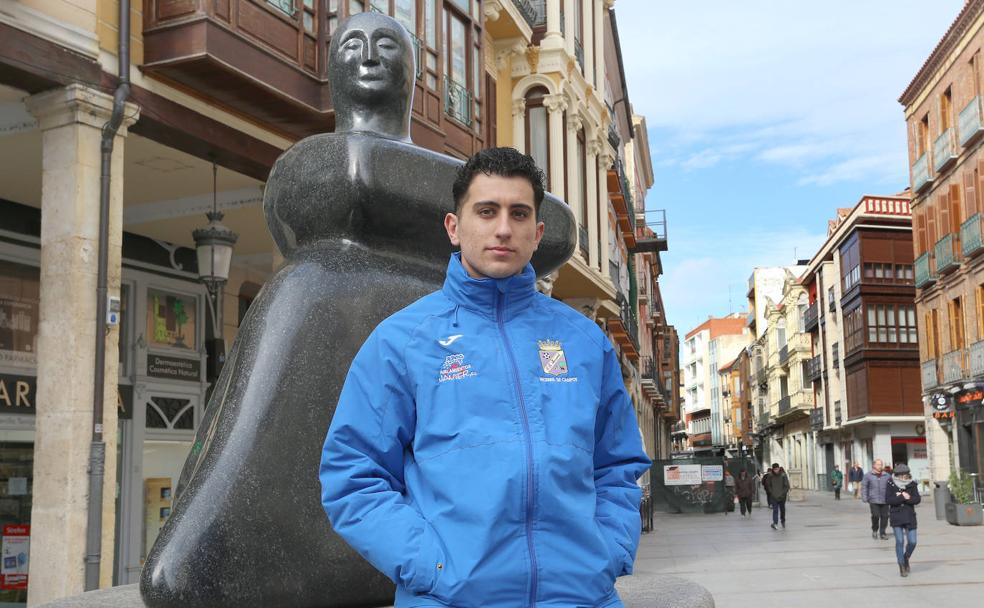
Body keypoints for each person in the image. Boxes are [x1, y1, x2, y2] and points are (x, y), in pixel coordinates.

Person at [320, 147, 652, 607]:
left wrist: (608, 552)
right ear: (454, 228)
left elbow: (617, 466)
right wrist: (432, 567)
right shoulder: (403, 341)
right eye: (486, 211)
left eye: (519, 214)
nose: (503, 228)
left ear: (537, 234)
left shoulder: (583, 341)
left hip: (580, 599)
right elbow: (353, 476)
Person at [886, 463, 921, 577]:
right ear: (897, 475)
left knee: (913, 541)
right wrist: (901, 497)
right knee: (900, 541)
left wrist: (908, 497)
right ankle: (901, 565)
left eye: (905, 475)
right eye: (901, 475)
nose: (904, 477)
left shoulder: (912, 484)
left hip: (910, 516)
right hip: (896, 516)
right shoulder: (890, 483)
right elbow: (889, 500)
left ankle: (906, 557)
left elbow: (917, 500)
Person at [862, 458, 891, 540]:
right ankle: (875, 529)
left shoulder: (887, 475)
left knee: (885, 516)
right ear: (874, 465)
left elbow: (891, 486)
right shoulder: (868, 475)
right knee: (875, 515)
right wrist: (865, 497)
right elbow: (864, 487)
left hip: (885, 500)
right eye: (878, 464)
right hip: (873, 499)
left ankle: (882, 533)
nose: (880, 466)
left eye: (881, 464)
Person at [763, 463, 790, 529]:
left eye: (777, 469)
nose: (776, 470)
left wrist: (783, 493)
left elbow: (787, 486)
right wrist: (771, 493)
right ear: (773, 469)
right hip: (774, 496)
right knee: (775, 510)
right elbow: (768, 485)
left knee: (782, 509)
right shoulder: (770, 476)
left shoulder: (783, 475)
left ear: (779, 468)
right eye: (775, 469)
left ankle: (783, 521)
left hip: (782, 496)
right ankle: (775, 523)